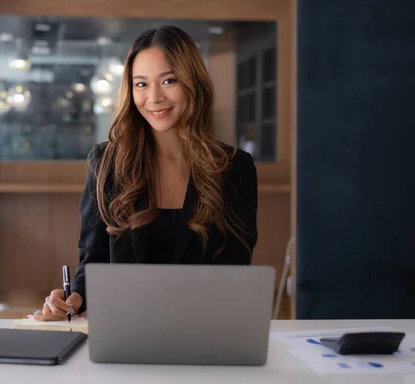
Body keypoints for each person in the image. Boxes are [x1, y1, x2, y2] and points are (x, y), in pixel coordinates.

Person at [34, 25, 258, 322]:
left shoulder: (234, 167)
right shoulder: (105, 163)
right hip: (123, 331)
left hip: (203, 331)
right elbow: (93, 264)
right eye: (141, 84)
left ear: (194, 83)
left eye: (169, 80)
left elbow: (235, 271)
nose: (154, 97)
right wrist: (71, 300)